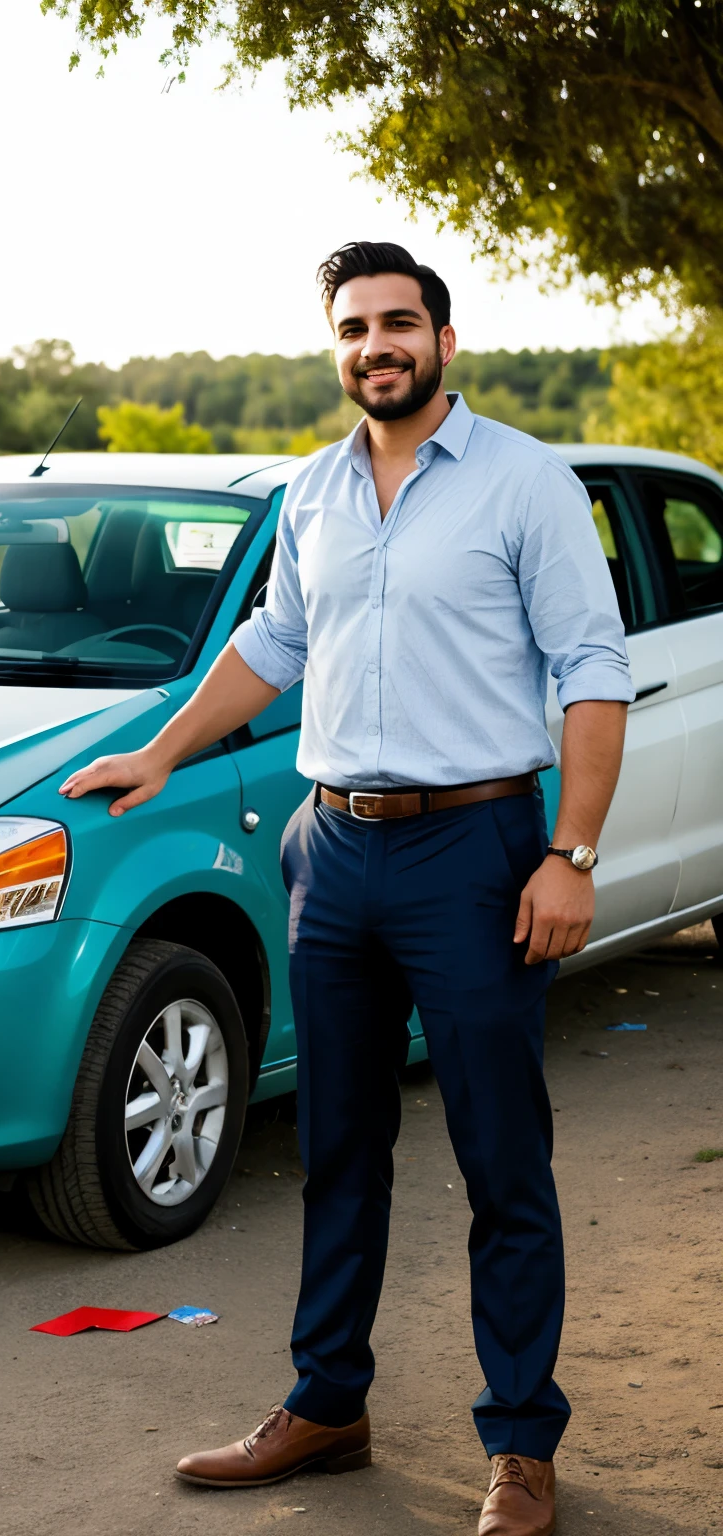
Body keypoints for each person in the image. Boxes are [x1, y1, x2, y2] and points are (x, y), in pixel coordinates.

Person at [59, 241, 633, 1536]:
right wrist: (159, 752)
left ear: (442, 335)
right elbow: (274, 643)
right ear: (336, 348)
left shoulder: (524, 484)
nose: (376, 346)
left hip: (477, 851)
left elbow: (591, 667)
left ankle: (521, 1446)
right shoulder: (311, 491)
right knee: (337, 1150)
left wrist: (572, 853)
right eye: (353, 328)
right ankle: (328, 1403)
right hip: (334, 849)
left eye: (397, 323)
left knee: (501, 1158)